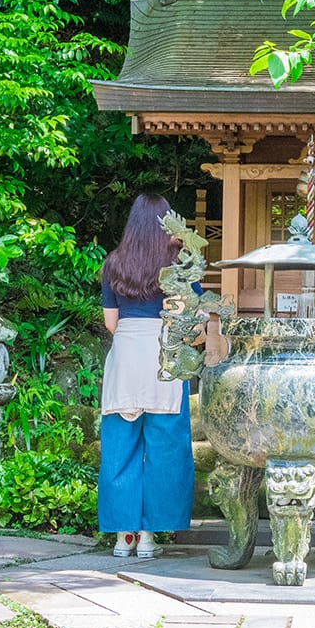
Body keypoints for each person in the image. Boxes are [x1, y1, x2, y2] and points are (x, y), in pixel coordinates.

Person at [98, 192, 196, 558]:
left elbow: (112, 323)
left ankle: (124, 536)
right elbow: (192, 317)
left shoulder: (114, 263)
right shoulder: (179, 262)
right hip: (165, 357)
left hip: (125, 357)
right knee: (164, 448)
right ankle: (151, 536)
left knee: (121, 448)